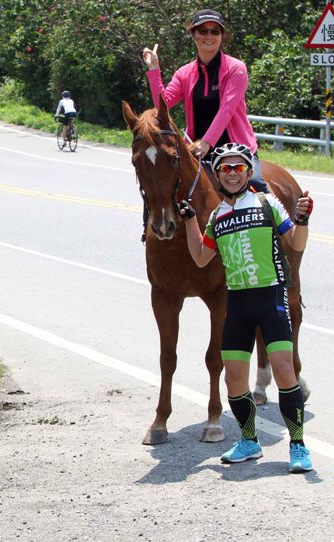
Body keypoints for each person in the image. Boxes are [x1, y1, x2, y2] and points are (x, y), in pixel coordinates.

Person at [178, 143, 314, 473]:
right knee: (234, 378)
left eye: (239, 168)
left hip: (271, 298)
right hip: (237, 302)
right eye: (226, 169)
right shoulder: (217, 217)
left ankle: (298, 446)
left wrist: (302, 219)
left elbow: (295, 242)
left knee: (283, 369)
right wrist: (190, 220)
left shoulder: (267, 203)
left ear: (248, 172)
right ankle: (249, 441)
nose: (233, 174)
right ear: (219, 175)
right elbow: (200, 257)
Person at [142, 9, 268, 192]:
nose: (209, 36)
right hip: (196, 150)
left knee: (256, 185)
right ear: (193, 34)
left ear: (222, 36)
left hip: (236, 150)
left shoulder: (236, 69)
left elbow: (226, 110)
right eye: (202, 30)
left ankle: (276, 219)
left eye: (215, 31)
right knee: (162, 188)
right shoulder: (184, 73)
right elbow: (163, 105)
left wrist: (207, 142)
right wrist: (154, 69)